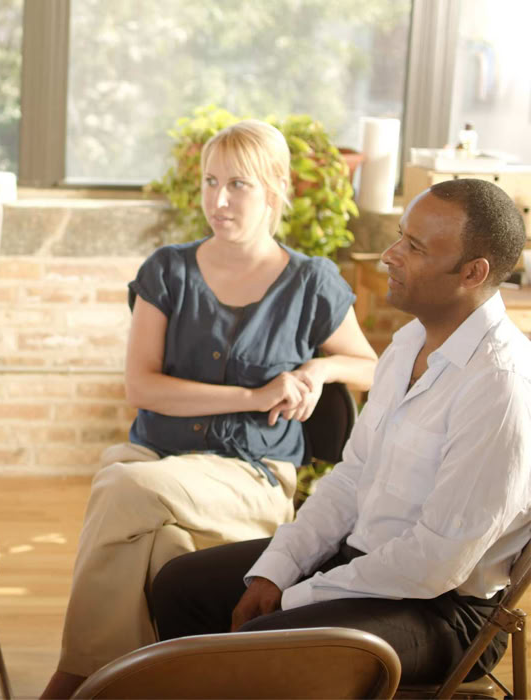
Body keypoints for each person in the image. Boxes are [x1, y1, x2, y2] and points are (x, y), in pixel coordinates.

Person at [41, 120, 379, 698]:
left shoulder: (311, 281)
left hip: (250, 475)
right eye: (210, 182)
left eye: (238, 185)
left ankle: (77, 679)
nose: (218, 201)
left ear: (275, 188)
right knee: (161, 549)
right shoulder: (168, 271)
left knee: (119, 485)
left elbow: (371, 367)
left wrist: (318, 370)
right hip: (155, 458)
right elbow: (142, 387)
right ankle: (145, 683)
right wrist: (253, 397)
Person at [151, 178, 531, 683]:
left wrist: (295, 596)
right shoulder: (408, 344)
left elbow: (436, 564)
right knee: (180, 586)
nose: (390, 256)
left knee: (257, 648)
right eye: (400, 236)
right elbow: (352, 478)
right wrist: (275, 571)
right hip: (362, 560)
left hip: (442, 609)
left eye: (415, 247)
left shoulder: (500, 386)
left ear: (472, 272)